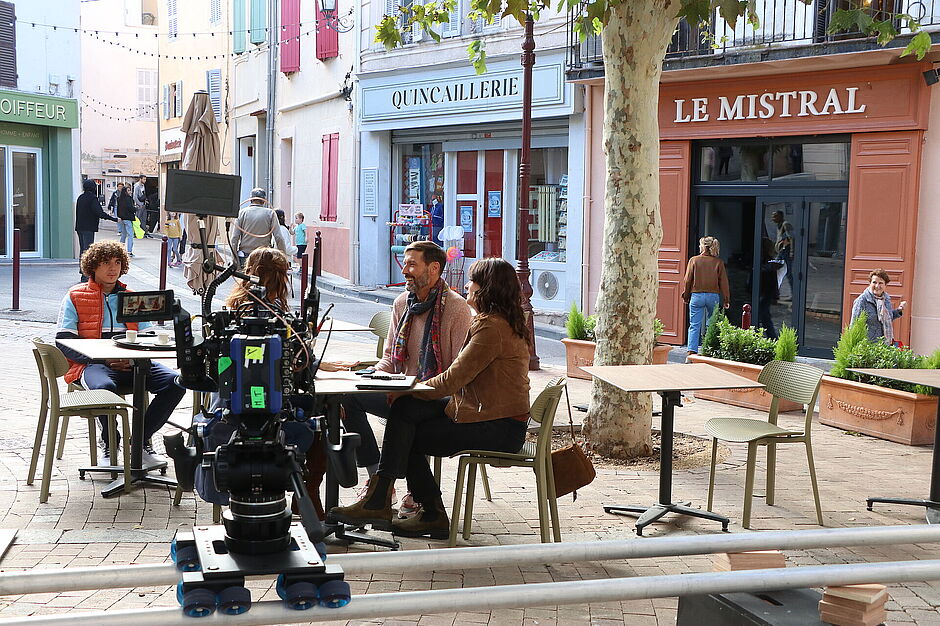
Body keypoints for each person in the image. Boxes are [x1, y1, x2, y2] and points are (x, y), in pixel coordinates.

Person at [328, 257, 531, 539]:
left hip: (498, 426)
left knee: (406, 430)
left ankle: (411, 507)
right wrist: (406, 393)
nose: (468, 286)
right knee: (406, 410)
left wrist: (406, 388)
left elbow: (451, 380)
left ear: (486, 288)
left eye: (473, 281)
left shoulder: (492, 328)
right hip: (482, 413)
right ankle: (391, 500)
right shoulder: (495, 322)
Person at [342, 240, 471, 516]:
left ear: (434, 268)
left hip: (440, 396)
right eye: (405, 263)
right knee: (349, 396)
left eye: (412, 264)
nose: (405, 270)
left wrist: (413, 390)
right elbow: (389, 358)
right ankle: (378, 479)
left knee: (407, 410)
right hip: (401, 391)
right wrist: (376, 378)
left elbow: (457, 371)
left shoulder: (457, 308)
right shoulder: (402, 302)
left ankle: (415, 492)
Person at [55, 241, 185, 465]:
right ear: (93, 266)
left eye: (117, 262)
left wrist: (132, 358)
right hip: (93, 365)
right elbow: (63, 341)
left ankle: (140, 441)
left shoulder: (131, 296)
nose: (112, 268)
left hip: (133, 363)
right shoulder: (75, 296)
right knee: (105, 388)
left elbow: (149, 336)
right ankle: (110, 444)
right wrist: (104, 358)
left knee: (176, 382)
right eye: (106, 263)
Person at [682, 236, 730, 355]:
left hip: (696, 296)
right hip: (713, 297)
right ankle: (709, 350)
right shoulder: (718, 262)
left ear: (703, 246)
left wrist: (686, 296)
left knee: (694, 325)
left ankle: (691, 353)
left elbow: (688, 280)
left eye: (700, 245)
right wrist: (726, 299)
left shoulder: (694, 260)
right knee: (712, 324)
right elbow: (724, 282)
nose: (699, 247)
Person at [229, 188, 288, 263]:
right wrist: (283, 259)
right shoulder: (270, 213)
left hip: (246, 256)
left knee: (244, 274)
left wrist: (234, 260)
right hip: (264, 256)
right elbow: (278, 237)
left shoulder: (241, 213)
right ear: (264, 200)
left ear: (251, 199)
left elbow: (234, 238)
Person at [850, 269, 907, 344]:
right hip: (868, 346)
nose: (877, 286)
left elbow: (887, 318)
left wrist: (899, 310)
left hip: (885, 344)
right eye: (874, 282)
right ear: (870, 283)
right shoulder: (862, 301)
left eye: (880, 283)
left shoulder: (886, 299)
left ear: (885, 285)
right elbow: (854, 325)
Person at [75, 179, 118, 265]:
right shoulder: (93, 198)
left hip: (80, 226)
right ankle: (85, 274)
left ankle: (82, 268)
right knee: (88, 250)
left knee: (83, 249)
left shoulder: (80, 197)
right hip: (89, 227)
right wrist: (114, 219)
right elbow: (99, 213)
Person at [771, 210, 794, 299]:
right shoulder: (779, 225)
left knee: (789, 273)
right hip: (781, 252)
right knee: (774, 270)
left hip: (786, 252)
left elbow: (791, 238)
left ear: (780, 216)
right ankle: (775, 293)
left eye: (775, 216)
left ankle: (794, 294)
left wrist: (792, 251)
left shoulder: (785, 224)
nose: (773, 219)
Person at [116, 184, 137, 256]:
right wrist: (135, 209)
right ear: (125, 192)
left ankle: (120, 249)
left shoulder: (119, 199)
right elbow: (130, 208)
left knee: (123, 235)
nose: (130, 192)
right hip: (128, 218)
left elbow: (118, 209)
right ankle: (129, 251)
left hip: (122, 218)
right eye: (128, 190)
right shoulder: (129, 199)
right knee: (130, 235)